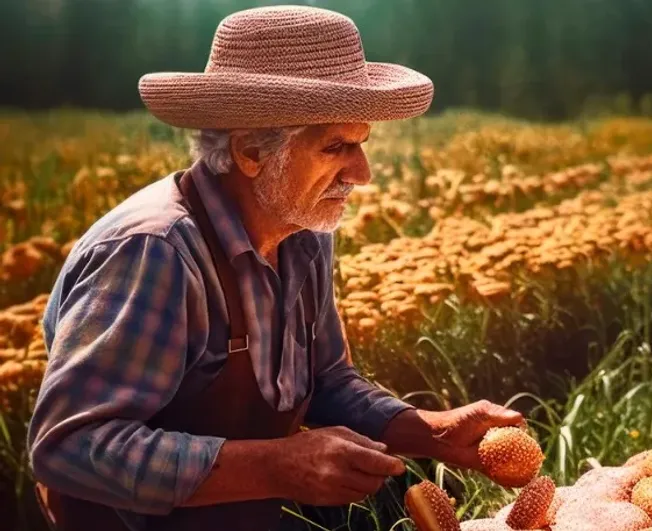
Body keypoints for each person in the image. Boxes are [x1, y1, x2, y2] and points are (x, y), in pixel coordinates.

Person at [27, 6, 524, 531]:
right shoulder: (155, 252)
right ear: (250, 152)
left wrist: (432, 431)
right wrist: (276, 465)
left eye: (362, 144)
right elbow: (69, 447)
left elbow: (327, 382)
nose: (363, 173)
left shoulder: (302, 232)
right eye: (337, 147)